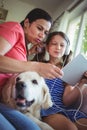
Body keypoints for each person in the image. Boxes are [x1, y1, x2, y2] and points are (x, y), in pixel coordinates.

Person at [0, 8, 63, 130]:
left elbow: (12, 63)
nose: (42, 35)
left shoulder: (24, 49)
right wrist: (36, 66)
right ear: (27, 23)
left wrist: (29, 53)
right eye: (40, 28)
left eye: (45, 32)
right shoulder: (14, 28)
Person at [39, 31, 87, 130]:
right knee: (70, 128)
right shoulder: (39, 66)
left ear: (66, 50)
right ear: (47, 47)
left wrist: (82, 82)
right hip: (48, 109)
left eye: (62, 45)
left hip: (67, 110)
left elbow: (66, 101)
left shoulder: (69, 70)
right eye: (54, 44)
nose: (58, 47)